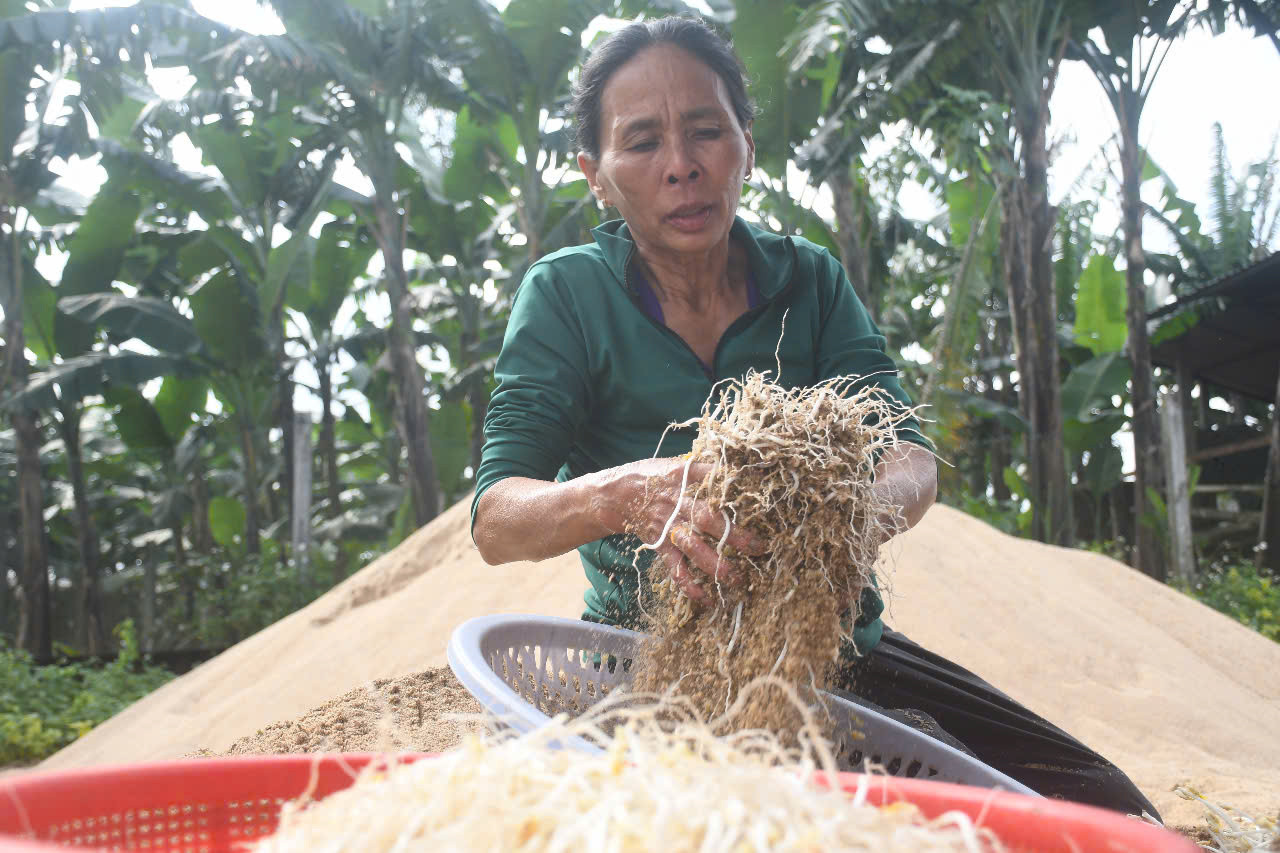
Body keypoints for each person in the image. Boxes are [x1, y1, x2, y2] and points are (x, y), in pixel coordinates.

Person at [470, 15, 1159, 820]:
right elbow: (496, 517)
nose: (682, 167)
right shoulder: (567, 296)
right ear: (596, 172)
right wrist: (625, 495)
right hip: (645, 658)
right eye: (643, 142)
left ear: (746, 145)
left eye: (705, 132)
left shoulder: (809, 281)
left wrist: (837, 528)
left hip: (835, 645)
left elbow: (911, 457)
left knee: (1108, 809)